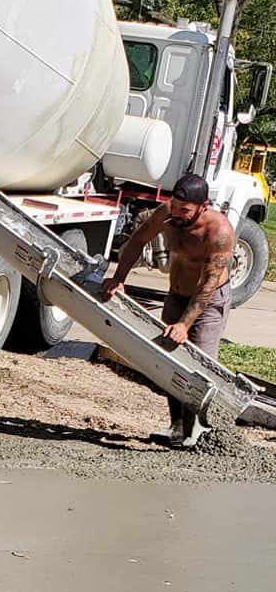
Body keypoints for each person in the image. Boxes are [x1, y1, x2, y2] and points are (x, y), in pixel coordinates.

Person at [100, 173, 234, 448]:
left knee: (199, 365)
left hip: (208, 302)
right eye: (174, 205)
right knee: (170, 361)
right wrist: (119, 277)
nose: (177, 213)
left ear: (203, 206)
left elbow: (208, 284)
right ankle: (177, 428)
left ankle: (201, 432)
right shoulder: (167, 214)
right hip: (176, 295)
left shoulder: (219, 233)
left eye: (184, 210)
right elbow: (137, 241)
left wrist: (185, 325)